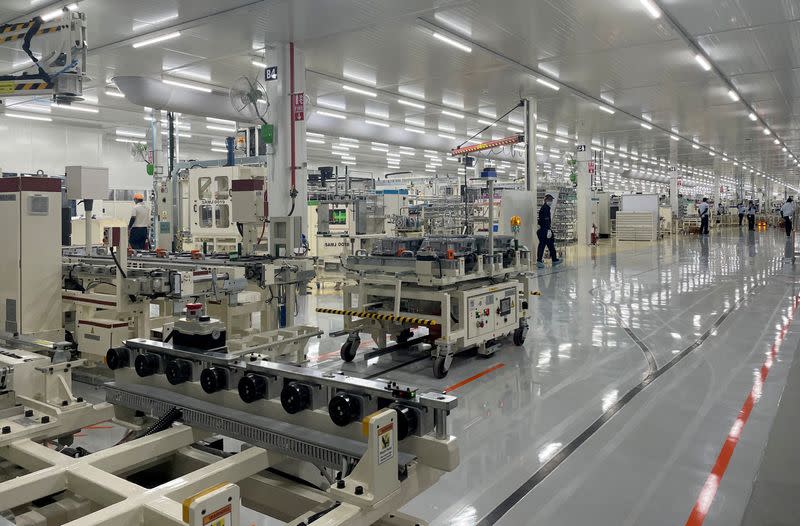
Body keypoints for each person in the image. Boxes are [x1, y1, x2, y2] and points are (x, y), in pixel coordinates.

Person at [537, 193, 561, 269]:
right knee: (547, 245)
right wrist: (548, 230)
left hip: (543, 229)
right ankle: (553, 260)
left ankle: (541, 260)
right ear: (546, 200)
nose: (551, 201)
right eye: (550, 200)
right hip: (545, 230)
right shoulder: (546, 208)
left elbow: (541, 220)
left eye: (551, 200)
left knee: (545, 245)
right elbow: (546, 220)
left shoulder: (544, 208)